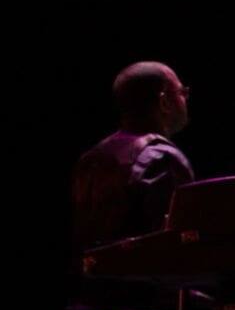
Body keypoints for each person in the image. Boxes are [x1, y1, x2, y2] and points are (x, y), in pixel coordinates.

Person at [72, 61, 195, 253]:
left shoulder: (90, 159)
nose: (186, 98)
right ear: (164, 102)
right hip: (144, 270)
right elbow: (176, 242)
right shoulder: (162, 158)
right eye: (182, 92)